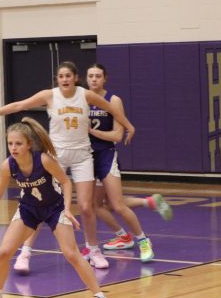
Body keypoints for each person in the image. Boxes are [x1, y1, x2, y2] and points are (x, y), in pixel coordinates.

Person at [0, 61, 135, 270]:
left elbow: (113, 109)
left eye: (68, 75)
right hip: (56, 154)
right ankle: (25, 252)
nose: (65, 79)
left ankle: (93, 250)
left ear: (75, 78)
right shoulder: (49, 95)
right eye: (61, 76)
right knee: (39, 203)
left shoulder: (85, 95)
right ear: (57, 80)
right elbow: (18, 105)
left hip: (82, 155)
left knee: (86, 207)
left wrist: (129, 126)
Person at [12, 65, 171, 274]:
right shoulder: (78, 97)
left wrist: (96, 130)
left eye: (98, 76)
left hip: (102, 155)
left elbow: (116, 135)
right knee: (93, 206)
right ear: (85, 79)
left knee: (114, 203)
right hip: (83, 155)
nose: (94, 79)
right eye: (91, 76)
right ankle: (123, 230)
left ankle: (142, 240)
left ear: (105, 78)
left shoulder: (110, 100)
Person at [0, 117, 114, 298]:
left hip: (55, 208)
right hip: (29, 209)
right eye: (10, 143)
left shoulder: (44, 160)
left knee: (72, 254)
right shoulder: (8, 165)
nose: (13, 147)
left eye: (18, 143)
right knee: (4, 252)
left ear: (28, 144)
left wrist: (67, 208)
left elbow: (66, 181)